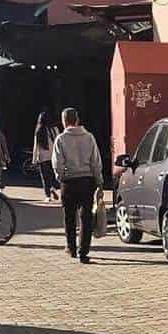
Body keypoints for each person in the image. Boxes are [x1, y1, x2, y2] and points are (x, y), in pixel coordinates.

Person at [51, 107, 103, 262]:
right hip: (87, 181)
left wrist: (61, 177)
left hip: (69, 182)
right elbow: (96, 161)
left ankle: (71, 248)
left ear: (64, 120)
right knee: (86, 217)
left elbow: (57, 162)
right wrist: (99, 181)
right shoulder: (89, 137)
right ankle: (83, 252)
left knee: (69, 217)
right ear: (77, 120)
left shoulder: (61, 139)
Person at [31, 110, 59, 199]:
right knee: (54, 174)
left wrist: (34, 159)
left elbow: (36, 146)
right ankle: (53, 187)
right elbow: (59, 142)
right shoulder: (55, 129)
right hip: (53, 156)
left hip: (43, 157)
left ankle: (48, 196)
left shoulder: (39, 130)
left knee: (45, 177)